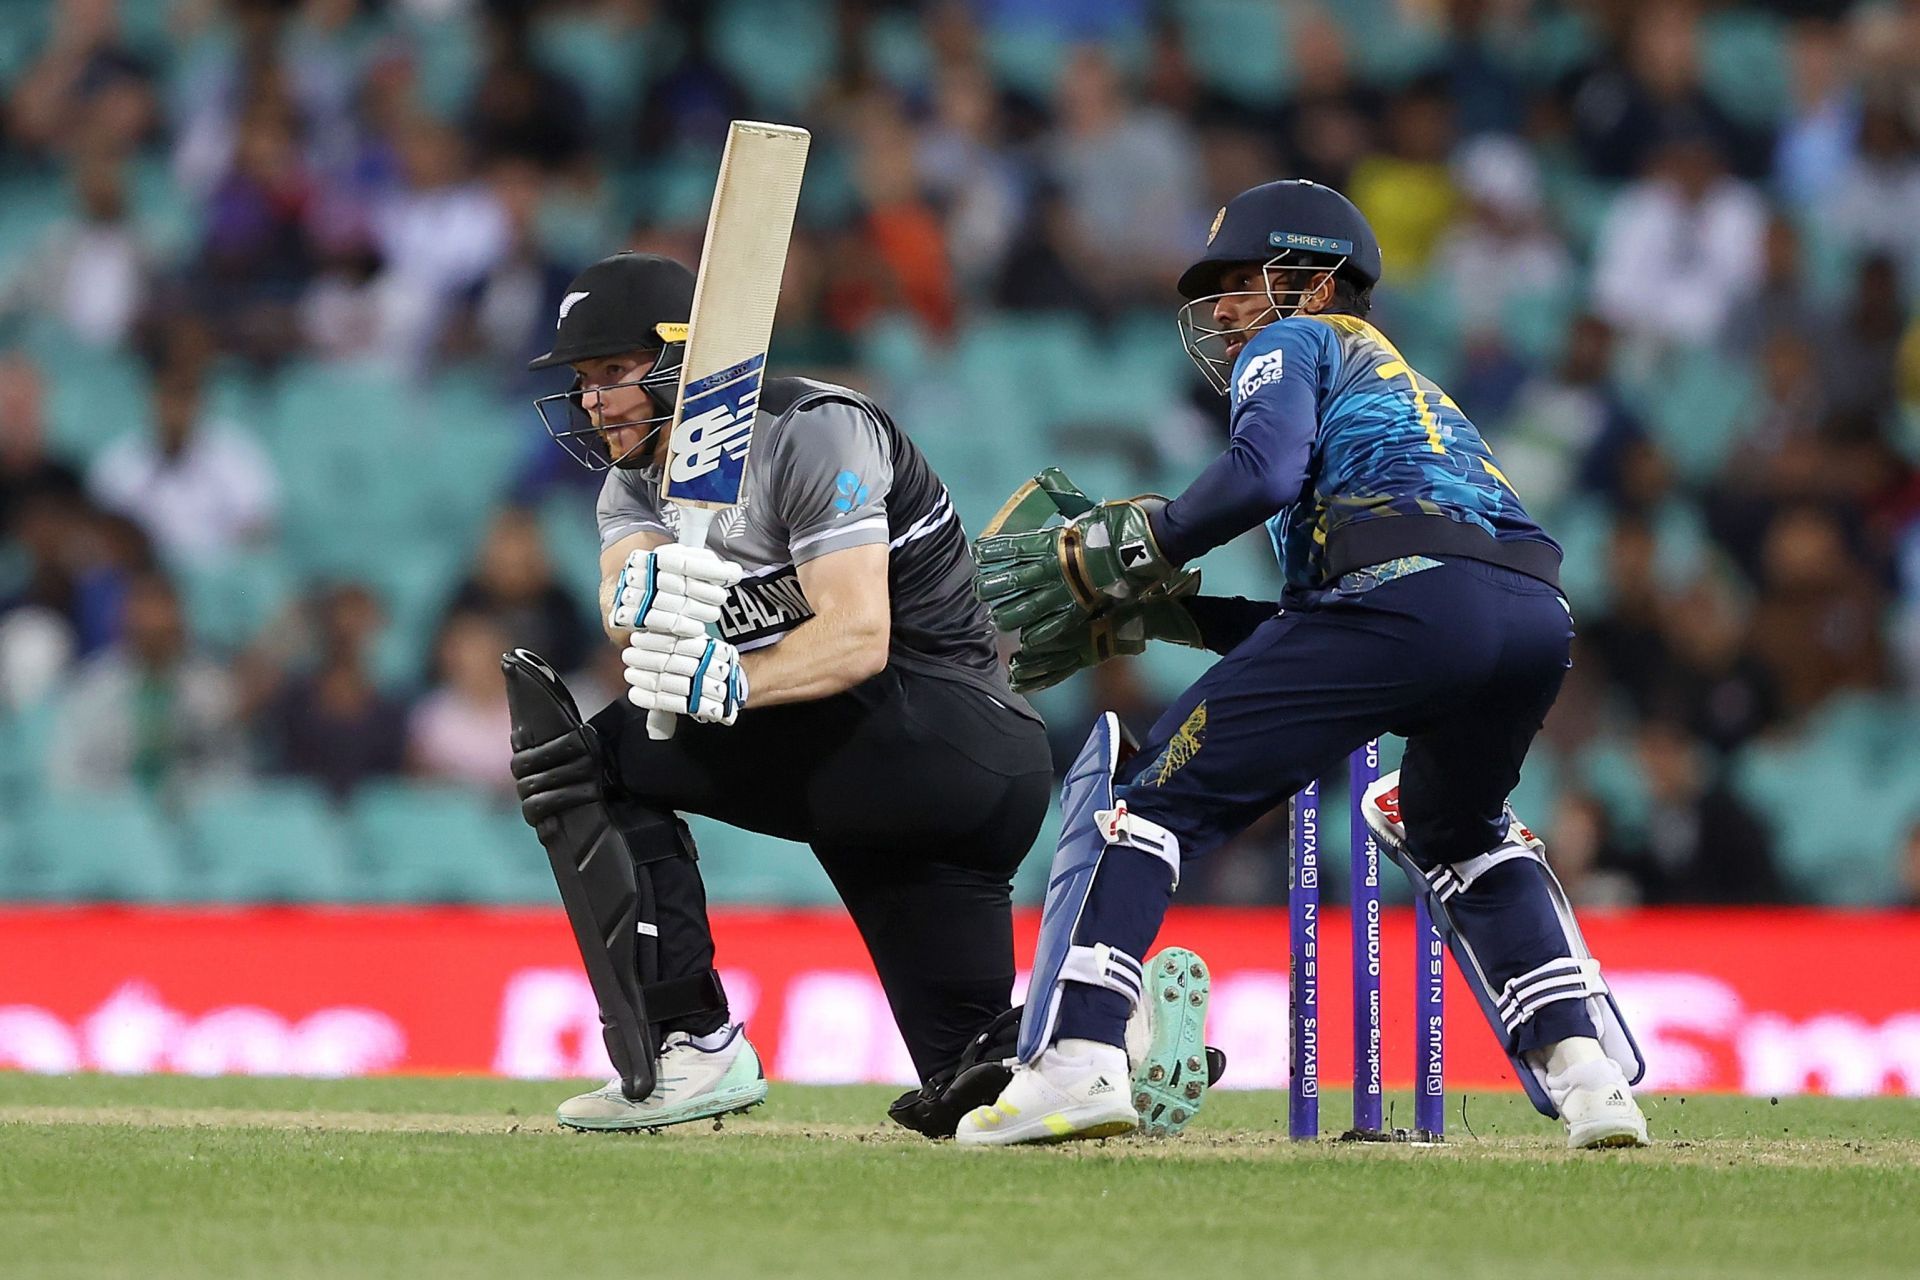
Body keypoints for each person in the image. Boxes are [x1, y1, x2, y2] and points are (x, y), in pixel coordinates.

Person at [963, 181, 1650, 1149]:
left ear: (1315, 284)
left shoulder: (1301, 344)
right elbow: (1333, 634)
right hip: (1531, 614)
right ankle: (1588, 1077)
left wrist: (1145, 540)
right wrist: (1179, 612)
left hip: (1405, 604)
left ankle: (1077, 1058)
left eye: (1247, 283)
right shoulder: (1413, 396)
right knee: (1455, 829)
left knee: (1148, 798)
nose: (1228, 310)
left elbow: (1262, 478)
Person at [503, 252, 1213, 1136]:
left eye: (610, 373)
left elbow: (858, 636)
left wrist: (736, 677)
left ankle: (691, 1042)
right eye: (582, 381)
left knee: (589, 761)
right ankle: (1109, 1035)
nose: (592, 401)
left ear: (684, 360)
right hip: (875, 785)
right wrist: (634, 601)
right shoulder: (634, 481)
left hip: (946, 737)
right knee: (975, 1085)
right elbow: (627, 594)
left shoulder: (813, 429)